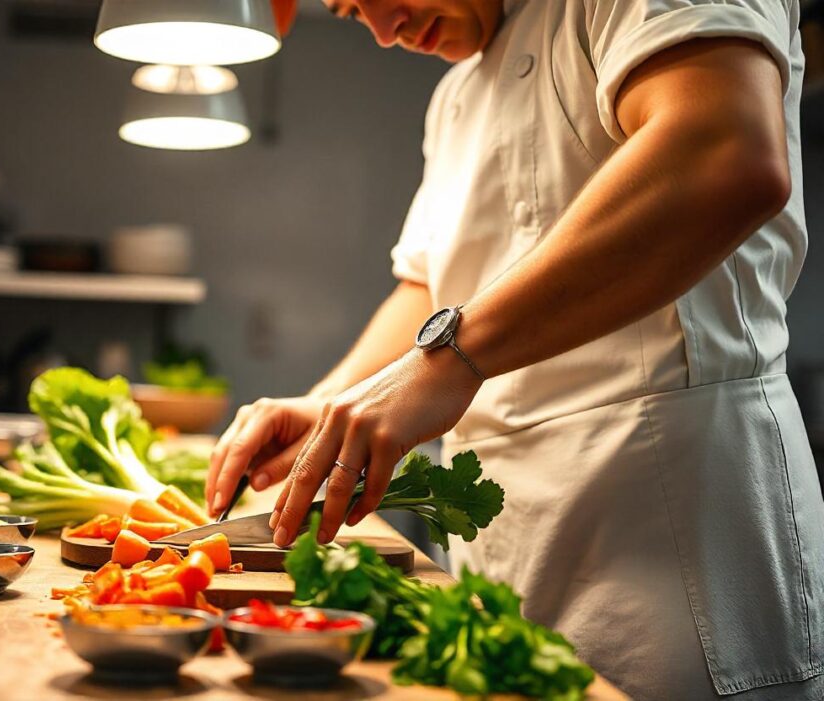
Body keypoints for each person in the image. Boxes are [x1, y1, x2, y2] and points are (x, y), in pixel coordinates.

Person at [209, 1, 824, 698]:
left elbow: (723, 149)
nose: (384, 33)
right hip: (513, 551)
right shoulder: (455, 98)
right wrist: (327, 406)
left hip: (678, 549)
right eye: (353, 15)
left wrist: (452, 358)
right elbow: (433, 286)